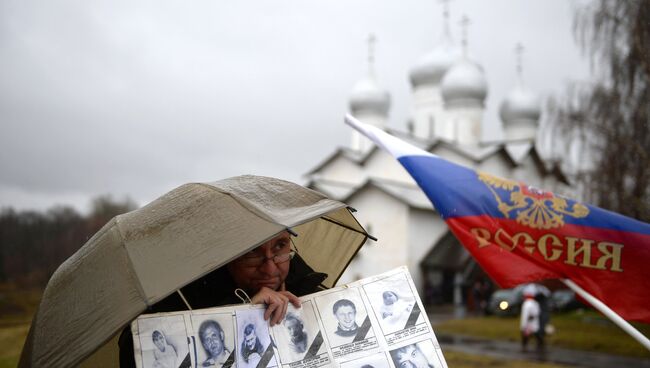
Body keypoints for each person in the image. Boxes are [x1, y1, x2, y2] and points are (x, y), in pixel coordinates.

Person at [119, 231, 327, 367]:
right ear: (228, 255)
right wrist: (238, 314)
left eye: (280, 246)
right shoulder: (183, 302)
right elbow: (135, 351)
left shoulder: (317, 296)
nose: (270, 268)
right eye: (253, 251)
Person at [520, 285, 544, 351]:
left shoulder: (529, 303)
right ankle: (525, 346)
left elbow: (534, 313)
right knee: (531, 334)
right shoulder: (531, 303)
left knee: (532, 334)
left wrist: (527, 322)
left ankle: (539, 345)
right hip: (529, 323)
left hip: (530, 323)